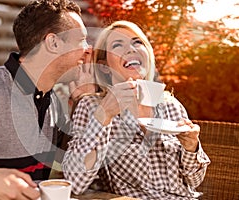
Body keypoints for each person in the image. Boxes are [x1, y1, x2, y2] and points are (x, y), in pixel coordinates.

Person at [0, 0, 92, 199]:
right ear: (53, 42)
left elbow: (71, 168)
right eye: (81, 40)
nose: (89, 49)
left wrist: (83, 103)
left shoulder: (53, 100)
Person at [62, 20, 211, 199]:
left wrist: (191, 147)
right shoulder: (91, 106)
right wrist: (104, 115)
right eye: (118, 45)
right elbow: (76, 182)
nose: (131, 49)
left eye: (137, 42)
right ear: (105, 66)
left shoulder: (170, 105)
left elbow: (194, 181)